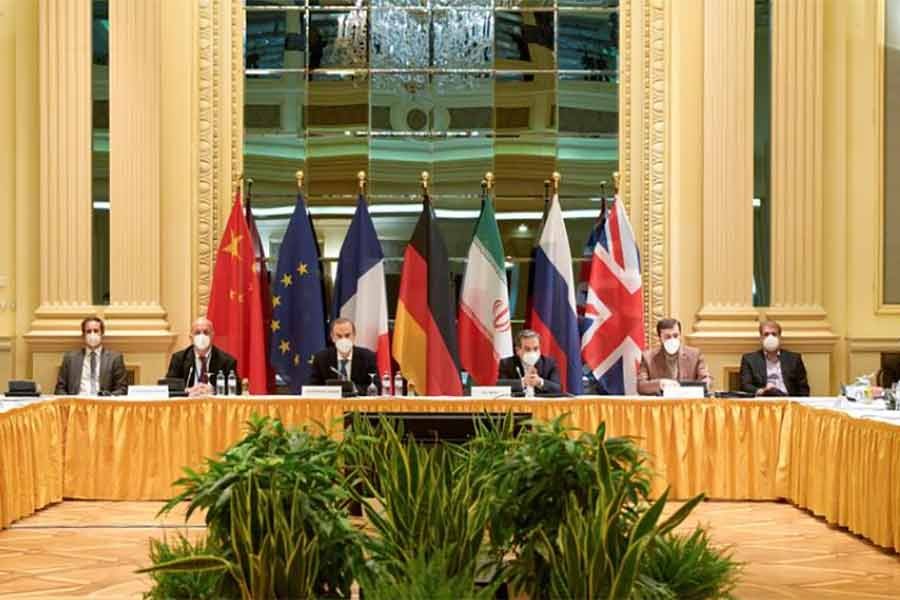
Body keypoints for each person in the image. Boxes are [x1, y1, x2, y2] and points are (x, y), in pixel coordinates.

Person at [55, 316, 128, 396]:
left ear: (102, 333)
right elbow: (59, 389)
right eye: (88, 331)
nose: (92, 334)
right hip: (77, 404)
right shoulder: (70, 358)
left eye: (96, 331)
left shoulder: (115, 358)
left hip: (103, 404)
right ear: (83, 335)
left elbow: (122, 389)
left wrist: (108, 397)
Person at [165, 317, 238, 397]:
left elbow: (237, 389)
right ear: (191, 337)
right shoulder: (179, 359)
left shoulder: (227, 361)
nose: (202, 336)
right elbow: (169, 387)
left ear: (212, 335)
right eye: (197, 332)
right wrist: (186, 391)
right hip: (188, 405)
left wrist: (215, 390)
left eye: (206, 332)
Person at [638, 318, 711, 395]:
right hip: (661, 404)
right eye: (667, 337)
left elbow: (706, 379)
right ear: (660, 338)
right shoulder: (648, 357)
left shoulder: (695, 354)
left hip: (687, 402)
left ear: (680, 335)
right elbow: (640, 385)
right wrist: (660, 383)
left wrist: (702, 386)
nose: (672, 339)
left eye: (675, 336)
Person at [307, 318, 380, 394]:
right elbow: (313, 388)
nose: (343, 339)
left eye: (347, 335)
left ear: (354, 336)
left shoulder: (368, 357)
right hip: (331, 404)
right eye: (339, 336)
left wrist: (352, 389)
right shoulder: (321, 358)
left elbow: (377, 387)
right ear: (332, 337)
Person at [740, 320, 810, 397]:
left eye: (774, 334)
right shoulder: (749, 359)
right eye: (766, 334)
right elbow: (745, 386)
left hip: (788, 402)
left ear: (779, 337)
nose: (770, 338)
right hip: (762, 401)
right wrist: (762, 391)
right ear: (761, 338)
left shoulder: (794, 359)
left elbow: (803, 388)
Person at [497, 329, 562, 395]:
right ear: (517, 350)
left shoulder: (549, 364)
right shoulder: (506, 364)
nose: (532, 352)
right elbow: (499, 385)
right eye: (527, 349)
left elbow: (558, 388)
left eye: (536, 348)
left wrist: (539, 382)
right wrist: (523, 382)